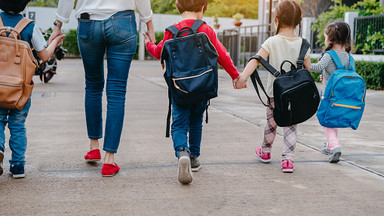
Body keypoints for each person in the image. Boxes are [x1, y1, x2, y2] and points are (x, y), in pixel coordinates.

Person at [50, 0, 155, 177]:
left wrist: (58, 25)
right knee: (117, 92)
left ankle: (93, 147)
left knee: (92, 86)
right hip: (122, 22)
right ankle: (109, 160)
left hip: (88, 22)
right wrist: (149, 24)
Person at [144, 0, 240, 184]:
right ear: (203, 7)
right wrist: (235, 76)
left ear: (178, 7)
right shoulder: (206, 30)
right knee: (196, 122)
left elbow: (158, 52)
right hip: (202, 87)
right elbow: (222, 55)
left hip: (179, 89)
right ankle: (194, 158)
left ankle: (182, 152)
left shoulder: (171, 31)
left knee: (179, 124)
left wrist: (149, 43)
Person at [236, 0, 310, 173]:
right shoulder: (303, 44)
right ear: (298, 22)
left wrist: (242, 78)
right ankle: (288, 161)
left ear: (276, 20)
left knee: (271, 123)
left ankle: (266, 152)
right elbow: (308, 68)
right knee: (291, 125)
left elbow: (256, 59)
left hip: (274, 94)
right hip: (295, 95)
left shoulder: (271, 41)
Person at [0, 0, 65, 178]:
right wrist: (56, 40)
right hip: (19, 89)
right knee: (18, 125)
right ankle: (18, 166)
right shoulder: (29, 27)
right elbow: (44, 56)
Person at [310, 21, 353, 163]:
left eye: (325, 37)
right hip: (342, 96)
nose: (324, 40)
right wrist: (326, 74)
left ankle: (335, 146)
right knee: (332, 120)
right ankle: (329, 145)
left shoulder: (329, 55)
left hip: (328, 95)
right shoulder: (348, 56)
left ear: (331, 38)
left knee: (326, 121)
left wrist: (305, 63)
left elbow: (317, 67)